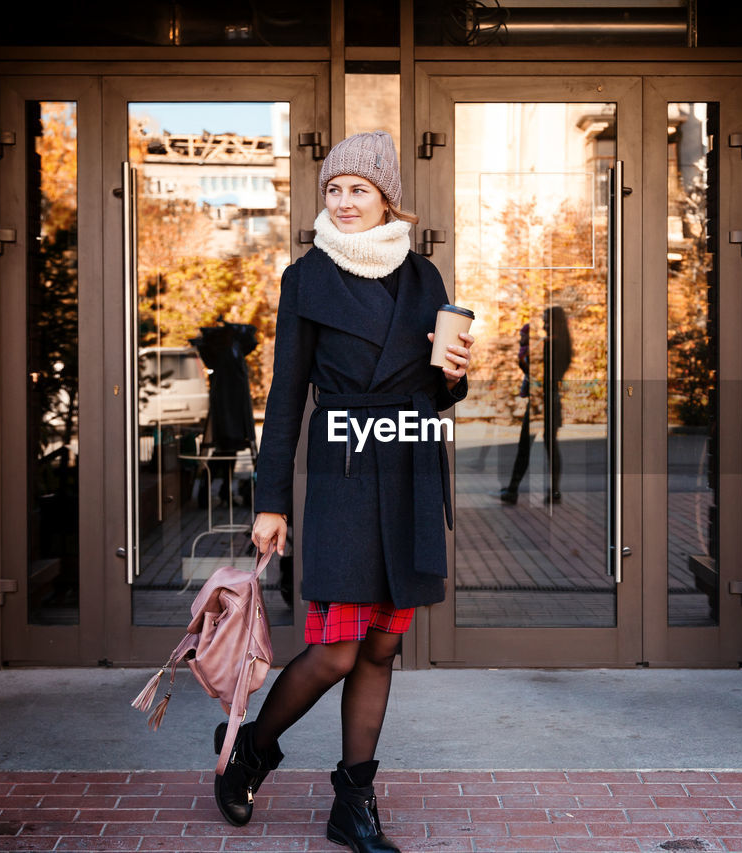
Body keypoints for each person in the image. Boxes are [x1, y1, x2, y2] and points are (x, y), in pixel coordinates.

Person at [218, 131, 474, 853]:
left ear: (387, 196)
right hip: (345, 474)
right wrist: (271, 501)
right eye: (334, 190)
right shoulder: (307, 277)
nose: (344, 201)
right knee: (335, 650)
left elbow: (437, 384)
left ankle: (353, 802)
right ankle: (249, 756)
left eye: (359, 189)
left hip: (411, 469)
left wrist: (453, 378)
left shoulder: (424, 278)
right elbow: (285, 393)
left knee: (382, 647)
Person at [499, 305, 570, 504]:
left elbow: (534, 373)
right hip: (553, 400)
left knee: (525, 446)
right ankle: (555, 491)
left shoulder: (547, 344)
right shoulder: (565, 344)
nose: (544, 324)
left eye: (546, 320)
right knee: (551, 446)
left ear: (554, 322)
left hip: (540, 401)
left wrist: (523, 363)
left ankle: (513, 490)